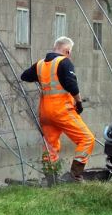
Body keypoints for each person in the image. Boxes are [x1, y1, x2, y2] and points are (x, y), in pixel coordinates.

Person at [21, 36, 95, 184]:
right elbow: (71, 84)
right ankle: (75, 176)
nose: (70, 54)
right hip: (61, 111)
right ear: (67, 51)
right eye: (70, 52)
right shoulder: (64, 62)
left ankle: (51, 179)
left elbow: (24, 76)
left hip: (45, 113)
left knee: (50, 145)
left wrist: (41, 80)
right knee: (87, 139)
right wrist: (79, 102)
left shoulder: (40, 65)